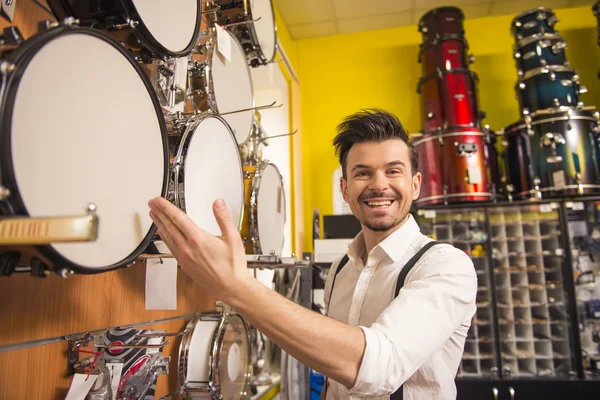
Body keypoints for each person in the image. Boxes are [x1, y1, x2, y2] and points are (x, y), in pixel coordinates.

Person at [148, 109, 477, 399]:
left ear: (416, 184)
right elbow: (335, 377)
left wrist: (236, 287)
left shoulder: (446, 266)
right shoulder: (340, 269)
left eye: (393, 171)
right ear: (345, 189)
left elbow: (379, 368)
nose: (379, 185)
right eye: (363, 172)